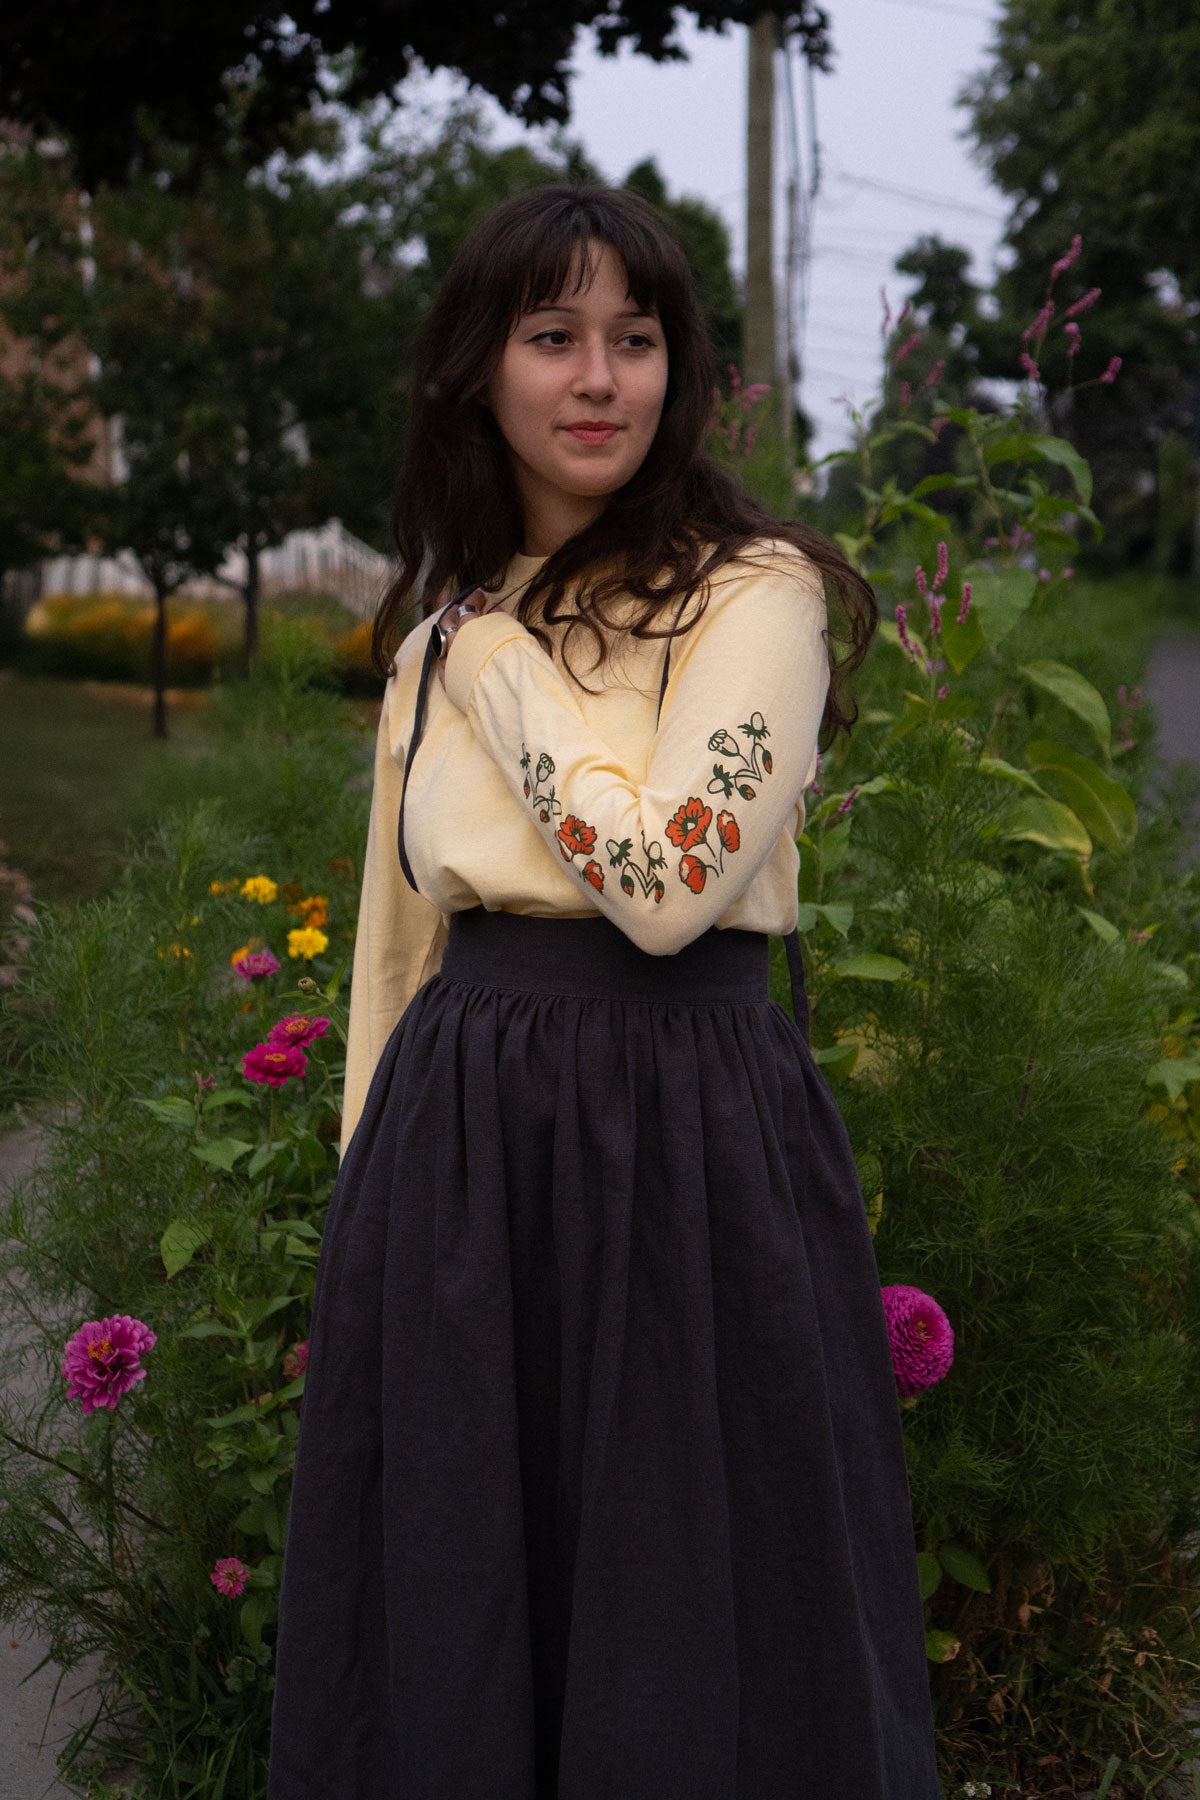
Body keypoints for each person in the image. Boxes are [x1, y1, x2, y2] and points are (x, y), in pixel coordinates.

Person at [267, 183, 941, 1799]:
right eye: (551, 337)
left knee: (695, 1600)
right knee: (469, 1610)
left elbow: (668, 884)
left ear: (677, 369)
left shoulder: (750, 594)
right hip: (464, 1168)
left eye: (633, 341)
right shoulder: (437, 647)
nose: (596, 380)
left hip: (692, 1142)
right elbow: (396, 948)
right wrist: (370, 1229)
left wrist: (493, 656)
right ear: (478, 373)